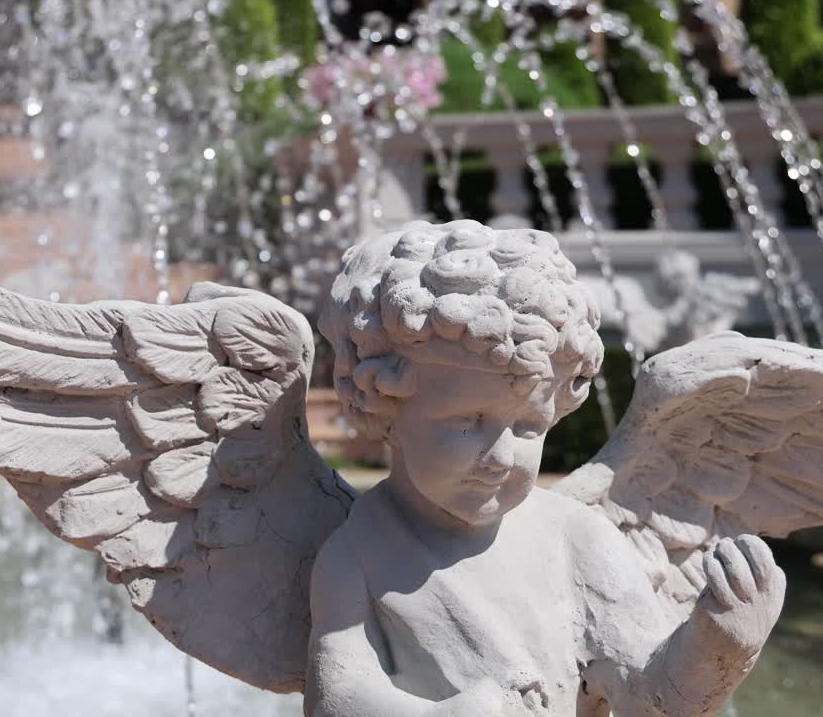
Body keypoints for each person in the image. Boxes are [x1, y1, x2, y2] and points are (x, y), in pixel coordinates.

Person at [308, 220, 783, 716]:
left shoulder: (579, 539)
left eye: (529, 426)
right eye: (466, 423)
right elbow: (336, 697)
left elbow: (647, 694)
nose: (500, 456)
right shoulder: (357, 553)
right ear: (385, 406)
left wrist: (719, 647)